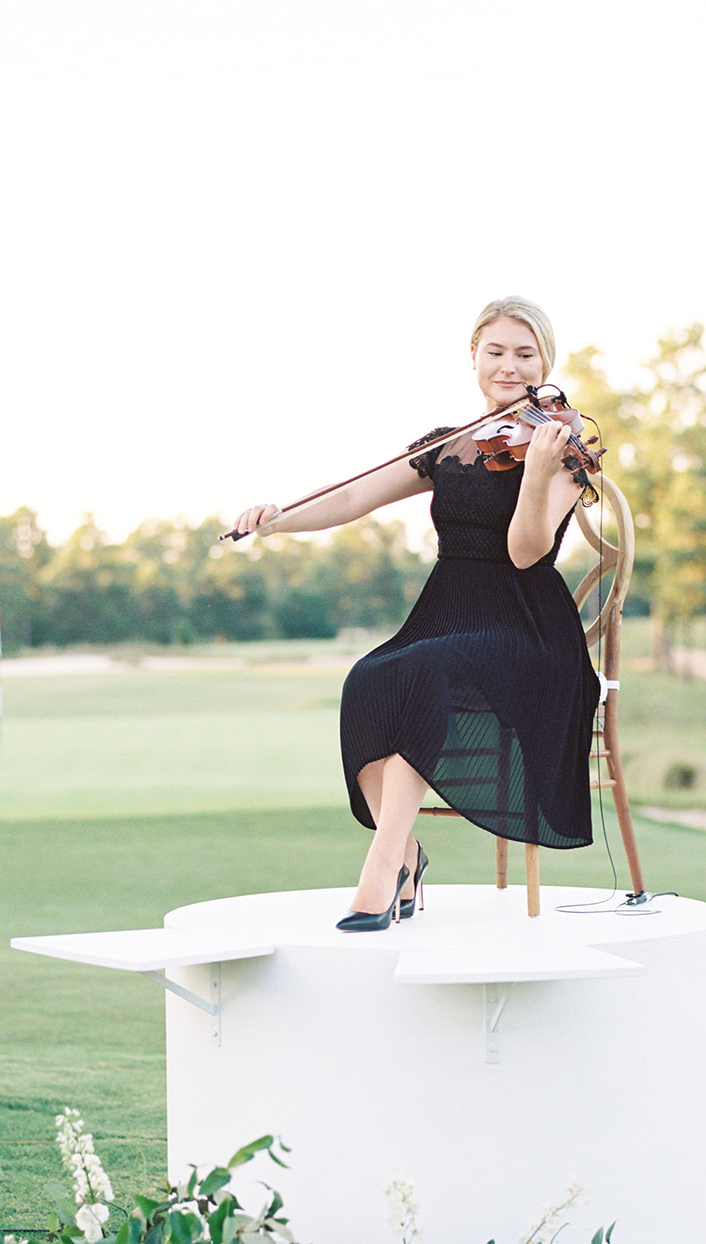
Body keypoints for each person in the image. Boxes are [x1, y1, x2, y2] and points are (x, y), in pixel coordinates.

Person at [229, 295, 601, 932]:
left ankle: (381, 869)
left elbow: (525, 552)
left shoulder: (565, 446)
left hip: (525, 621)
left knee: (426, 671)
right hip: (448, 607)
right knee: (370, 678)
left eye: (525, 353)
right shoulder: (448, 445)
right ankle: (406, 853)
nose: (509, 367)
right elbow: (352, 496)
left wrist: (537, 474)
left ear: (546, 361)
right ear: (475, 359)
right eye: (496, 352)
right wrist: (278, 521)